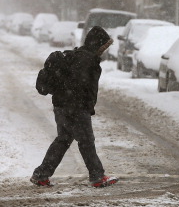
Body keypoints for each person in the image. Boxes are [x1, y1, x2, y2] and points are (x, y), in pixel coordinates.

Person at [30, 25, 118, 188]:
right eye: (103, 46)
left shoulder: (79, 56)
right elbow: (80, 85)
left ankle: (41, 174)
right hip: (75, 107)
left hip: (62, 106)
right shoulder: (87, 60)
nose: (104, 50)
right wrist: (83, 106)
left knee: (63, 140)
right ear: (96, 44)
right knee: (86, 141)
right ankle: (97, 176)